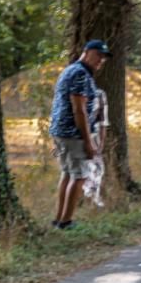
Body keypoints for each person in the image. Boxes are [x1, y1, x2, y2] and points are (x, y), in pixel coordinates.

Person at [49, 39, 111, 229]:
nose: (101, 60)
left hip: (62, 132)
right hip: (73, 134)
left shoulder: (72, 70)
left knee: (68, 174)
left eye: (103, 58)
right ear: (86, 52)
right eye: (98, 55)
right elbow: (79, 110)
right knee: (80, 176)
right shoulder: (80, 74)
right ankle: (66, 222)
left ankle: (59, 219)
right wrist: (88, 141)